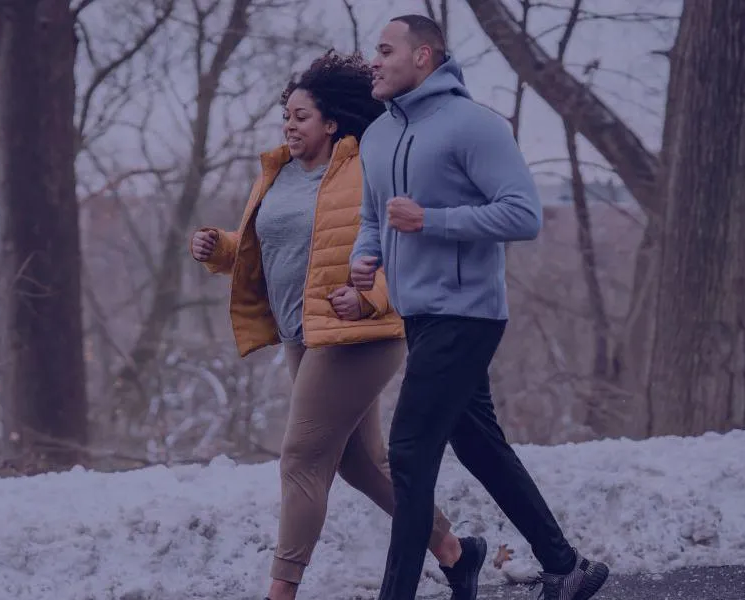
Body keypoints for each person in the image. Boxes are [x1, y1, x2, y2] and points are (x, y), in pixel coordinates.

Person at [190, 50, 484, 600]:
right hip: (307, 334)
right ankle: (455, 551)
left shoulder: (366, 168)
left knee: (301, 459)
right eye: (287, 115)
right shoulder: (277, 172)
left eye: (301, 117)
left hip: (362, 336)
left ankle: (280, 592)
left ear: (331, 122)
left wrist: (369, 299)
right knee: (360, 464)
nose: (289, 125)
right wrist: (220, 247)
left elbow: (405, 246)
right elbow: (271, 248)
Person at [349, 15, 610, 600]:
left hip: (467, 312)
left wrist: (430, 222)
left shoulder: (473, 126)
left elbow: (524, 214)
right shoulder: (378, 135)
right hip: (417, 313)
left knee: (411, 451)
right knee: (477, 445)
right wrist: (366, 260)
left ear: (424, 57)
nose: (374, 60)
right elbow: (375, 216)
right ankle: (565, 566)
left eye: (385, 50)